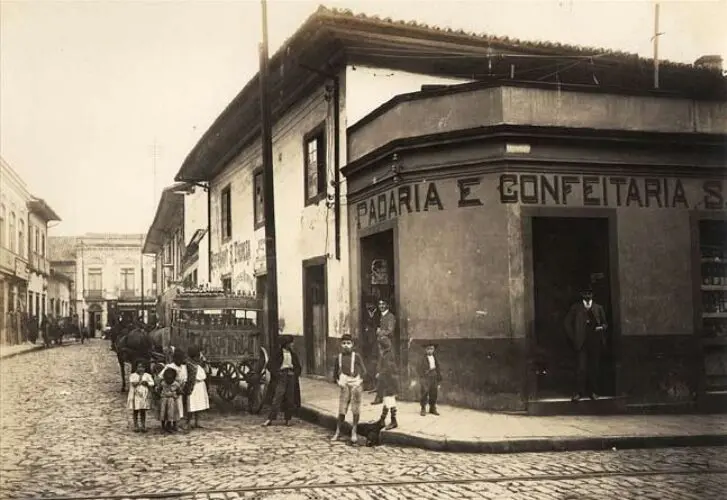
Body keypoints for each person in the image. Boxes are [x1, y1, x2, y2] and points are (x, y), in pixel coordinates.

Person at [564, 285, 608, 402]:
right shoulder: (576, 308)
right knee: (581, 368)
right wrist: (574, 337)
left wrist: (601, 328)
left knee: (594, 368)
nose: (587, 295)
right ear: (582, 295)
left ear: (592, 295)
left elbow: (605, 324)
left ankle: (593, 392)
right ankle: (579, 393)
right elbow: (567, 323)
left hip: (595, 342)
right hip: (581, 343)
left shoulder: (598, 308)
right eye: (585, 293)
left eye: (589, 293)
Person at [332, 334, 368, 443]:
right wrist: (338, 382)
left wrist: (359, 381)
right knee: (342, 409)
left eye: (348, 343)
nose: (346, 345)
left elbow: (364, 371)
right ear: (340, 345)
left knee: (355, 409)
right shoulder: (338, 357)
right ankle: (337, 431)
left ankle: (354, 431)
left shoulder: (356, 356)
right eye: (344, 343)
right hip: (344, 384)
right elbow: (335, 373)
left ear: (352, 344)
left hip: (355, 383)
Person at [262, 335, 301, 427]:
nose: (292, 344)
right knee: (277, 397)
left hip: (291, 376)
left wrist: (295, 373)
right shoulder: (277, 354)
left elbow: (298, 366)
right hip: (281, 377)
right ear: (286, 344)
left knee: (290, 398)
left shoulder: (293, 354)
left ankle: (288, 419)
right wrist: (277, 373)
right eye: (291, 343)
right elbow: (270, 365)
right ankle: (270, 419)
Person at [371, 299, 395, 405]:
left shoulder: (390, 317)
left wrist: (380, 332)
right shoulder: (379, 316)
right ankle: (380, 394)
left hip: (387, 348)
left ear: (387, 305)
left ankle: (381, 396)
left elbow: (390, 331)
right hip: (380, 347)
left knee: (385, 371)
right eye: (379, 304)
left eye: (383, 304)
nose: (381, 306)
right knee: (380, 370)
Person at [159, 349, 188, 427]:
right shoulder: (170, 366)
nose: (181, 361)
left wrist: (181, 388)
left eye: (182, 359)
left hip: (178, 390)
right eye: (179, 359)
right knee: (169, 408)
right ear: (174, 358)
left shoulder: (183, 367)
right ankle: (168, 424)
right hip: (169, 391)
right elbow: (161, 377)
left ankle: (175, 424)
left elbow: (184, 379)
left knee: (177, 409)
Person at [376, 336, 399, 430]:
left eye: (379, 346)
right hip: (388, 381)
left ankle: (394, 421)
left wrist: (380, 374)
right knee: (387, 400)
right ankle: (382, 419)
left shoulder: (387, 355)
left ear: (382, 346)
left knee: (390, 400)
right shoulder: (387, 354)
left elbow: (388, 369)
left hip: (389, 381)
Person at [184, 345, 209, 428]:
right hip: (193, 386)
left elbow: (206, 371)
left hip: (200, 386)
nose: (198, 358)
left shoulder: (199, 364)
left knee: (199, 404)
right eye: (197, 356)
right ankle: (187, 422)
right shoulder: (188, 364)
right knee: (191, 405)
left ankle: (197, 422)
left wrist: (204, 363)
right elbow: (186, 376)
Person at [127, 361, 154, 432]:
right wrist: (140, 380)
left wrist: (147, 383)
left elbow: (152, 383)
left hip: (143, 396)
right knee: (135, 410)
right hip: (135, 395)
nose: (141, 369)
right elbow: (133, 383)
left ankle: (143, 425)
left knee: (143, 410)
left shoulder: (147, 375)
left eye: (143, 367)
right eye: (139, 367)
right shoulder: (133, 375)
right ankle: (136, 425)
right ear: (136, 368)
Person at [419, 342, 442, 416]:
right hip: (426, 377)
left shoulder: (435, 358)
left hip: (434, 376)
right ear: (425, 350)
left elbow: (438, 368)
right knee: (424, 392)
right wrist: (423, 374)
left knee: (434, 392)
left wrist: (439, 378)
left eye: (431, 349)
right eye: (428, 349)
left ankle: (432, 408)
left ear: (434, 349)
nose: (430, 350)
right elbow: (418, 368)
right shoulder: (422, 358)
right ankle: (423, 408)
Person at [159, 368, 182, 432]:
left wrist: (176, 395)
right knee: (163, 413)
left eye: (170, 379)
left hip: (173, 401)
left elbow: (180, 391)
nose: (169, 381)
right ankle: (163, 426)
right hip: (164, 401)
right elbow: (159, 389)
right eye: (167, 379)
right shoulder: (163, 383)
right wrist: (161, 395)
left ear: (174, 378)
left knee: (173, 413)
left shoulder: (176, 384)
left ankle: (172, 426)